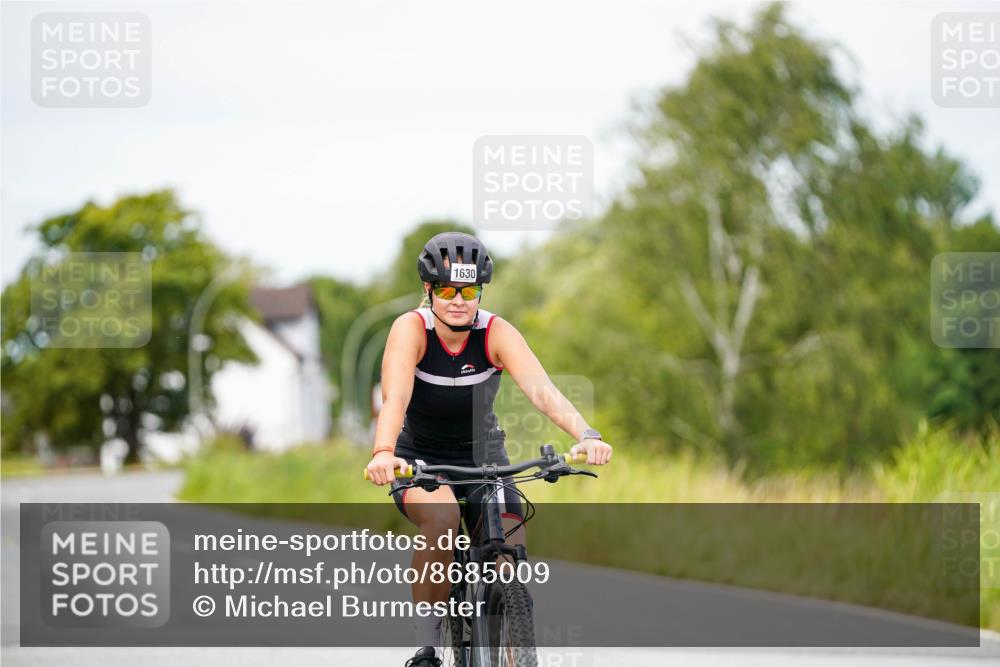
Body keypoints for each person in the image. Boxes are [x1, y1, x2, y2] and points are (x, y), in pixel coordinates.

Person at [364, 231, 612, 667]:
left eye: (470, 290)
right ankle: (427, 645)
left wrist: (586, 435)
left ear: (481, 291)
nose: (458, 301)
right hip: (421, 460)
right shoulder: (411, 330)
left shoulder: (495, 331)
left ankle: (515, 646)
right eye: (446, 289)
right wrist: (384, 451)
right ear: (429, 290)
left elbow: (543, 392)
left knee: (509, 554)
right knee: (442, 520)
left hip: (486, 458)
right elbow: (396, 399)